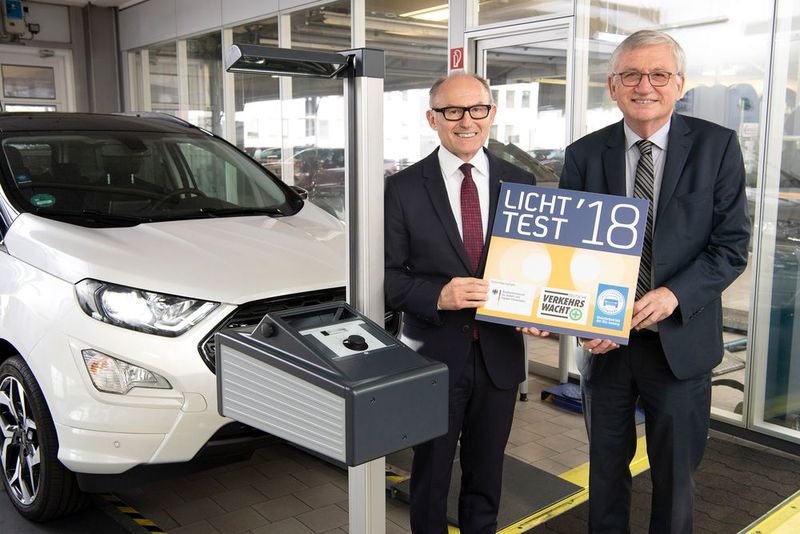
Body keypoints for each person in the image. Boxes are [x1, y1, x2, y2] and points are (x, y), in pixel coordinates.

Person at [559, 30, 750, 533]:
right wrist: (579, 317)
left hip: (680, 346)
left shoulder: (716, 147)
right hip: (605, 345)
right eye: (631, 75)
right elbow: (568, 253)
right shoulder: (583, 155)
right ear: (612, 86)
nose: (645, 85)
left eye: (659, 74)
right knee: (605, 474)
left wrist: (672, 295)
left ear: (679, 84)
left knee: (675, 478)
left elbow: (731, 248)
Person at [384, 72, 547, 533]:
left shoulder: (520, 182)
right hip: (434, 357)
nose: (466, 121)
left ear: (491, 114)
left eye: (477, 109)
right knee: (431, 475)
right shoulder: (402, 188)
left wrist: (535, 310)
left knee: (487, 473)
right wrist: (439, 294)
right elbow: (387, 278)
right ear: (432, 119)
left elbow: (533, 266)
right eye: (452, 111)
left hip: (498, 355)